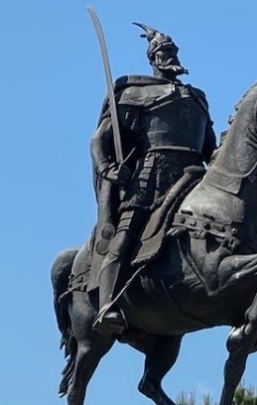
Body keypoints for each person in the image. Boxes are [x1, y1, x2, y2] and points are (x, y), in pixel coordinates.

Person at [90, 23, 216, 336]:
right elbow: (99, 140)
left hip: (195, 176)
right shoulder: (135, 93)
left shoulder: (198, 98)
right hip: (152, 175)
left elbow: (210, 149)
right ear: (153, 58)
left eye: (173, 51)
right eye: (164, 52)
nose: (170, 56)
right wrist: (107, 168)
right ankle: (107, 304)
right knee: (127, 233)